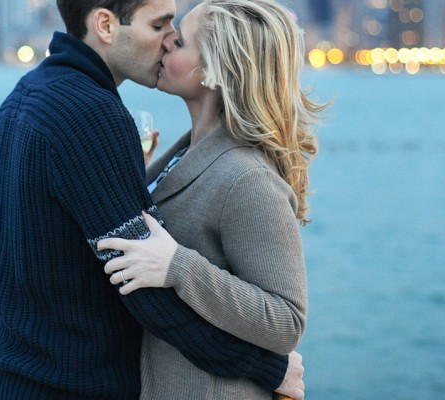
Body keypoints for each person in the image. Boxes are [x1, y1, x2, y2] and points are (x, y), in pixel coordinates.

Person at [0, 0, 304, 398]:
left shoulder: (16, 104)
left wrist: (20, 343)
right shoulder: (95, 116)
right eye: (161, 27)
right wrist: (264, 367)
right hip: (75, 388)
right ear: (106, 25)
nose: (165, 42)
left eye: (177, 38)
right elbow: (143, 292)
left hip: (12, 383)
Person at [99, 0, 327, 399]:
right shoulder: (185, 153)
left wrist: (179, 267)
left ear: (214, 71)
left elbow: (287, 320)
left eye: (181, 40)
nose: (167, 42)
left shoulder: (248, 178)